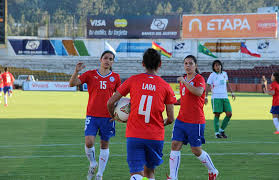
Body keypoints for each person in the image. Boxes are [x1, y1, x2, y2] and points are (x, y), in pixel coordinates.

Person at [107, 48, 176, 180]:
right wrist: (160, 124)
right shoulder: (166, 86)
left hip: (135, 135)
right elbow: (171, 118)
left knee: (136, 174)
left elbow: (110, 103)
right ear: (160, 64)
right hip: (155, 136)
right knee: (150, 172)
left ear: (143, 64)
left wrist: (114, 116)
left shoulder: (133, 80)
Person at [69, 50, 121, 180]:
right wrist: (76, 71)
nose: (107, 60)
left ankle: (99, 174)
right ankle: (93, 163)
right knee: (89, 141)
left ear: (112, 62)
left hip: (108, 117)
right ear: (100, 59)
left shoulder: (116, 77)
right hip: (92, 115)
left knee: (104, 144)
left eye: (110, 59)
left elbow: (119, 97)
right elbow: (72, 84)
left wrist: (117, 113)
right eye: (105, 58)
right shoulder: (90, 74)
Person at [167, 55, 219, 180]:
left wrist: (184, 82)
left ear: (195, 65)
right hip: (181, 120)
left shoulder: (199, 78)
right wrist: (172, 101)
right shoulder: (184, 79)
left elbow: (199, 92)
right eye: (186, 63)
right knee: (174, 145)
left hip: (195, 122)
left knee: (196, 150)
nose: (188, 65)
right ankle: (173, 177)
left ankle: (213, 171)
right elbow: (184, 99)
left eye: (190, 63)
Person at [205, 60, 236, 139]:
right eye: (216, 65)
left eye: (219, 65)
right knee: (217, 114)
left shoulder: (224, 74)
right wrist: (206, 97)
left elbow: (227, 83)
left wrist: (232, 92)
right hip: (216, 97)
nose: (217, 67)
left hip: (225, 97)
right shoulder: (212, 75)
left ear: (221, 66)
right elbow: (208, 86)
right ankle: (217, 133)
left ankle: (221, 130)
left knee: (229, 114)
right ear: (213, 67)